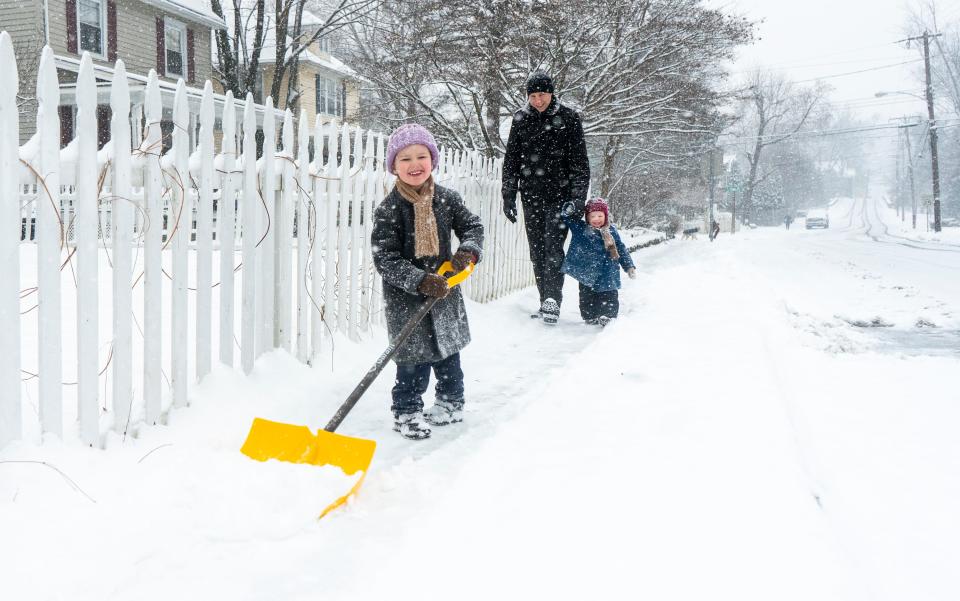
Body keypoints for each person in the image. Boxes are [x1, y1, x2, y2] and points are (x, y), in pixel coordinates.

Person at [371, 124, 484, 440]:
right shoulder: (389, 210)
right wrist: (419, 280)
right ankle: (407, 412)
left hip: (445, 294)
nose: (414, 164)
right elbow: (386, 259)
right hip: (406, 300)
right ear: (394, 166)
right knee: (412, 361)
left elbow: (473, 227)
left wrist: (468, 251)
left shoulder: (447, 199)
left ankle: (451, 401)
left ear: (433, 161)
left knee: (449, 355)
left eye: (422, 156)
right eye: (405, 158)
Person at [502, 71, 590, 325]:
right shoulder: (521, 120)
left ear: (551, 93)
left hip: (560, 197)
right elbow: (511, 161)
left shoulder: (569, 119)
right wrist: (508, 194)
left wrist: (577, 198)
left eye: (541, 95)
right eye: (532, 96)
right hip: (531, 195)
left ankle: (552, 300)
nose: (537, 100)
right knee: (537, 250)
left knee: (553, 248)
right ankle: (545, 300)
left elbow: (580, 165)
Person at [560, 198, 636, 327]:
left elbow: (621, 248)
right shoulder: (581, 228)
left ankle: (608, 315)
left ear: (605, 216)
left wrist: (629, 266)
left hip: (608, 270)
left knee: (609, 294)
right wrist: (571, 207)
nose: (596, 219)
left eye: (600, 215)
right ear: (587, 217)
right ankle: (590, 316)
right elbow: (566, 217)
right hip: (587, 271)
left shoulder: (611, 231)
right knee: (586, 296)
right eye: (592, 216)